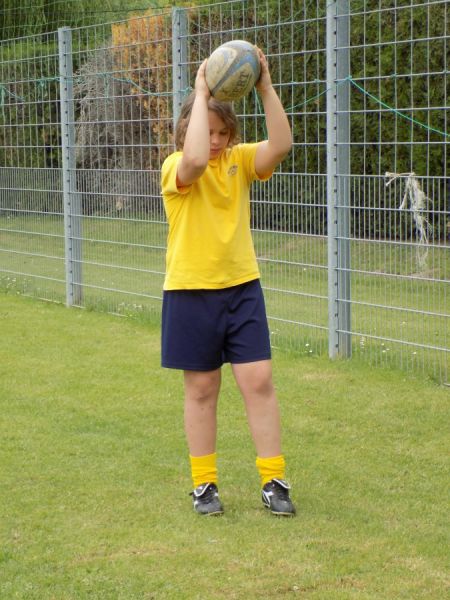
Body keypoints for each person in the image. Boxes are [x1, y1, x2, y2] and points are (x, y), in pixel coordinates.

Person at [160, 48, 295, 517]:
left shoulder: (239, 162)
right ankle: (204, 486)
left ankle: (274, 480)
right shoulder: (176, 167)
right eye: (208, 131)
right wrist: (201, 90)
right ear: (188, 129)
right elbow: (195, 159)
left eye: (223, 133)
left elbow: (280, 145)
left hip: (241, 288)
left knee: (258, 380)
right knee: (201, 390)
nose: (215, 142)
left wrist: (265, 86)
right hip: (190, 291)